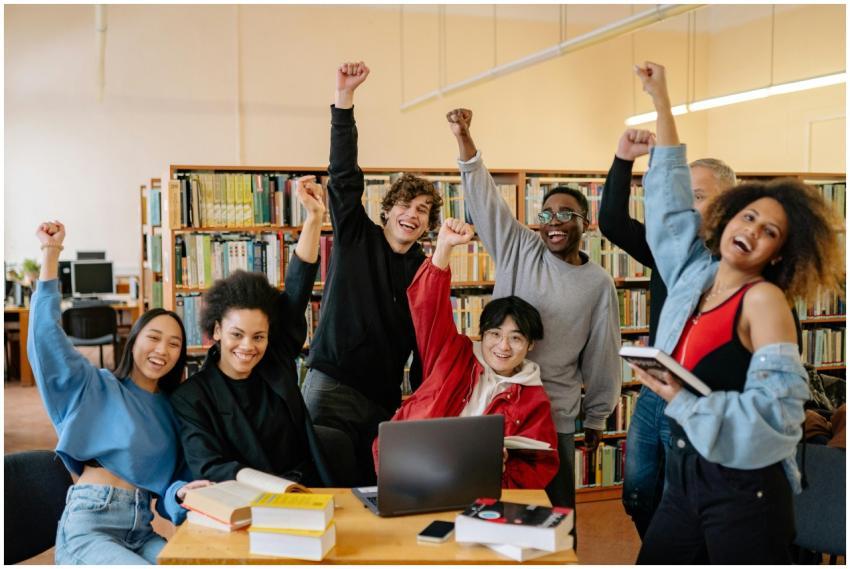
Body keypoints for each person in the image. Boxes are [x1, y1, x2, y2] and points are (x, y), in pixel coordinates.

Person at [629, 61, 844, 564]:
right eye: (749, 215)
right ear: (728, 217)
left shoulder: (764, 300)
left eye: (771, 231)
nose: (752, 229)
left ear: (779, 255)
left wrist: (680, 399)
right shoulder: (693, 273)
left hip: (743, 490)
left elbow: (779, 416)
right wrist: (662, 100)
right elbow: (668, 204)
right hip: (686, 474)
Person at [446, 109, 621, 512]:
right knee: (487, 508)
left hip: (552, 412)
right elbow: (484, 199)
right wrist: (464, 138)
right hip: (498, 402)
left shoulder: (598, 284)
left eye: (565, 214)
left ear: (586, 222)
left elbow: (602, 353)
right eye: (545, 214)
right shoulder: (519, 247)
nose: (553, 222)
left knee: (553, 514)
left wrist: (595, 417)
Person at [28, 220, 209, 565]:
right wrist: (50, 252)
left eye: (174, 344)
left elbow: (172, 493)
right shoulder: (94, 385)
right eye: (153, 338)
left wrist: (182, 493)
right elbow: (44, 338)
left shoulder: (175, 411)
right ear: (133, 339)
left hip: (141, 530)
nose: (162, 350)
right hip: (90, 525)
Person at [302, 61, 444, 486]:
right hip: (330, 387)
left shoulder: (424, 270)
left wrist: (420, 402)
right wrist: (344, 100)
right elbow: (343, 176)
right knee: (320, 487)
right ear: (387, 210)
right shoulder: (355, 236)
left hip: (383, 401)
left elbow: (428, 341)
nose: (412, 214)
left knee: (372, 491)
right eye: (405, 205)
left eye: (423, 210)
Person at [597, 129, 737, 538]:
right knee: (638, 493)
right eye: (682, 196)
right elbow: (612, 222)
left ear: (728, 202)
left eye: (698, 195)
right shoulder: (666, 250)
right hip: (652, 391)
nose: (687, 206)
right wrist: (624, 159)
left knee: (683, 499)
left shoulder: (738, 261)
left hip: (697, 395)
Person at [170, 176, 336, 486]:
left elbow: (297, 289)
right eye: (237, 334)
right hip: (244, 499)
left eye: (258, 336)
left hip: (309, 491)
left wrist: (314, 218)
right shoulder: (191, 397)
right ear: (216, 330)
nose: (248, 346)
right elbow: (207, 465)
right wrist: (274, 485)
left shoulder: (275, 360)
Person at [373, 217, 559, 488]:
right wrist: (444, 247)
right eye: (495, 334)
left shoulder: (533, 397)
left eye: (516, 338)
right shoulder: (452, 354)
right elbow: (429, 307)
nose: (503, 347)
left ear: (530, 345)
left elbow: (539, 466)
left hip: (478, 488)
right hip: (413, 470)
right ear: (482, 334)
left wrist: (502, 471)